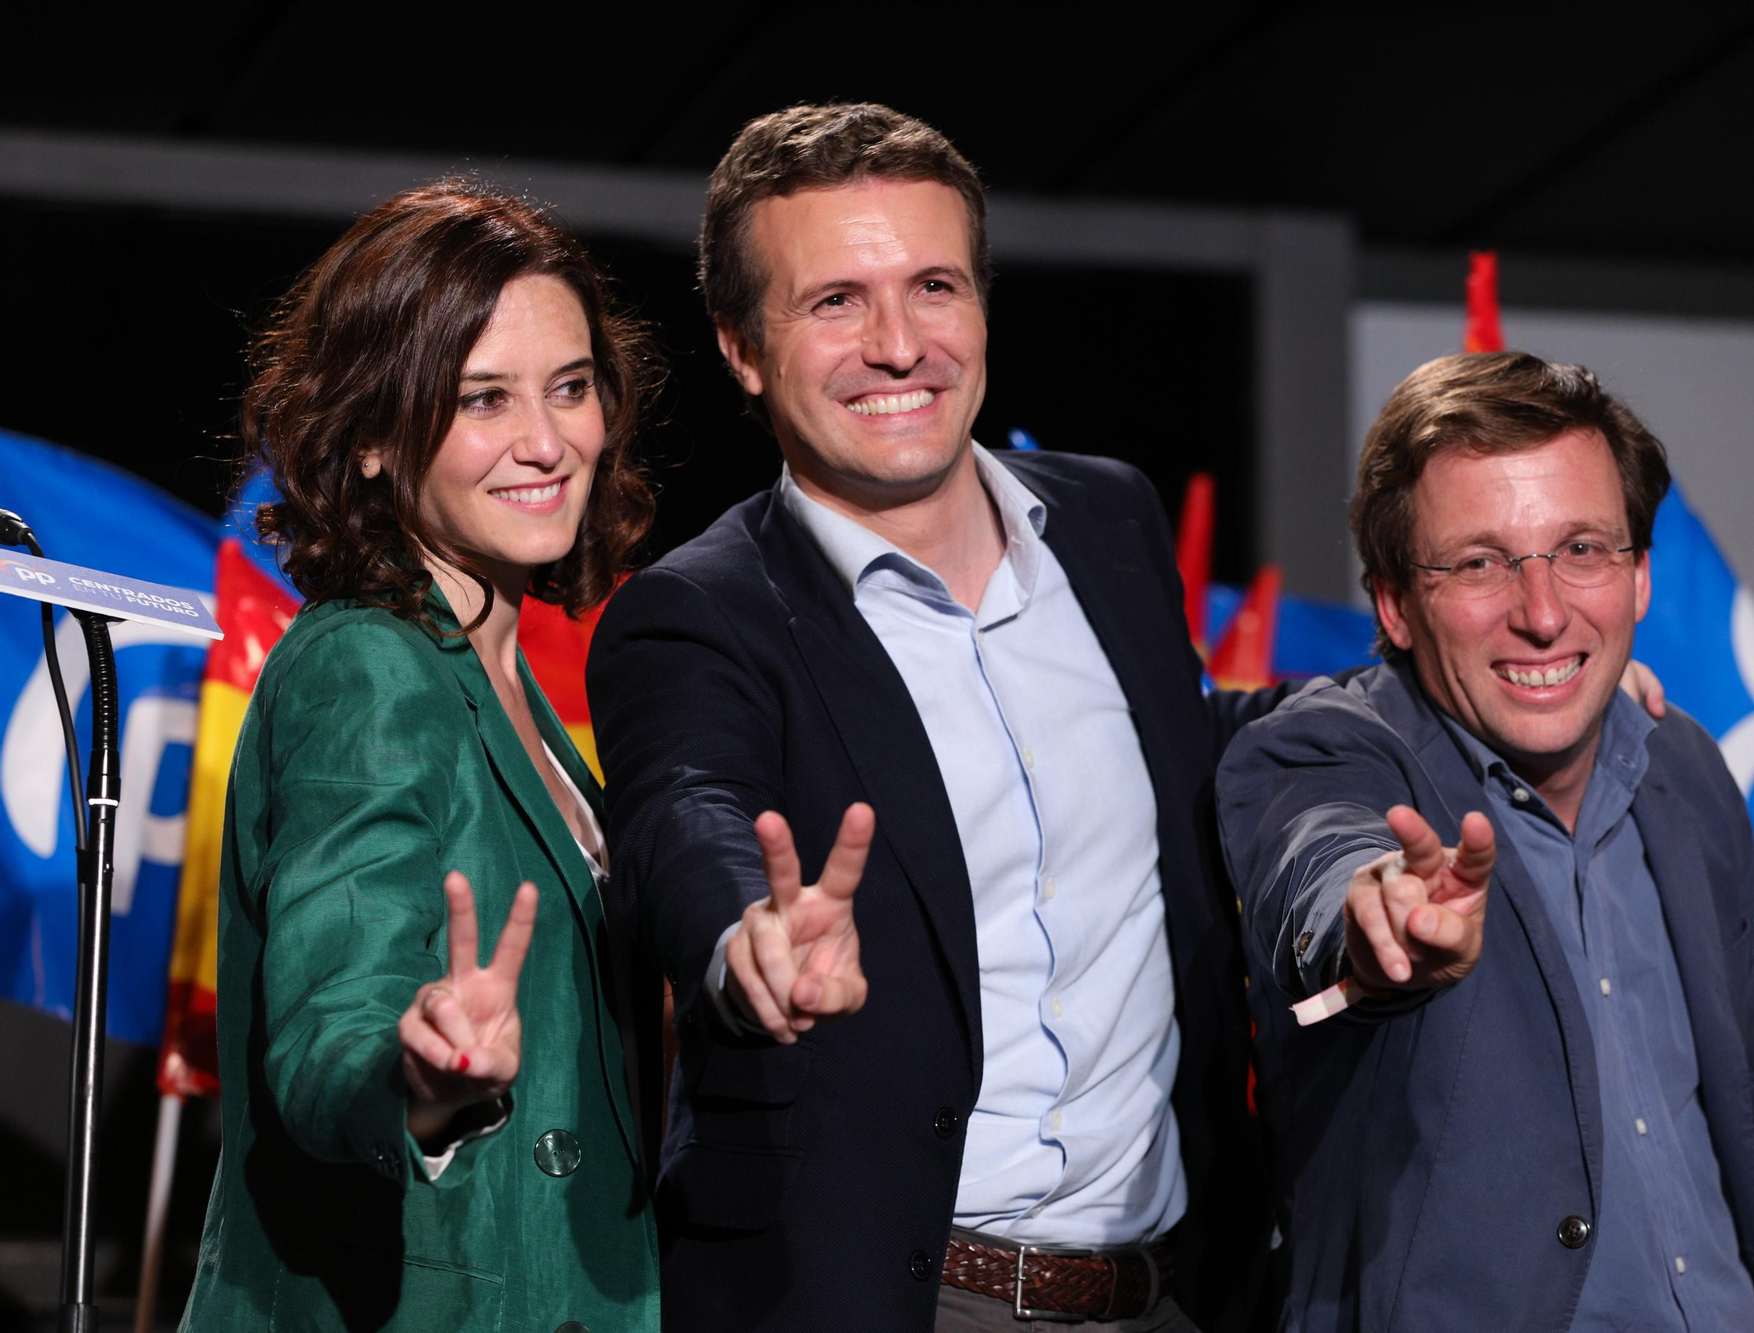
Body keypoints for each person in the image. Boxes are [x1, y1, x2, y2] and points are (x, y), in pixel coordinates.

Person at [586, 102, 1278, 1332]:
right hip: (893, 1300)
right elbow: (677, 816)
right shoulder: (694, 617)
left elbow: (1197, 735)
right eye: (835, 301)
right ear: (743, 347)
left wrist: (1446, 697)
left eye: (934, 286)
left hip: (1175, 1290)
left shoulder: (1109, 524)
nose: (898, 345)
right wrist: (744, 941)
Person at [1215, 350, 1754, 1331]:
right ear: (1393, 605)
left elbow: (1752, 1121)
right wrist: (1374, 919)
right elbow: (1320, 858)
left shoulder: (1686, 771)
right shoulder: (1321, 753)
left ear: (1636, 577)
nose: (1542, 614)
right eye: (1477, 563)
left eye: (1581, 549)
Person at [181, 179, 662, 1332]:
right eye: (481, 400)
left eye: (570, 387)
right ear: (371, 440)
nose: (547, 442)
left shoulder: (500, 676)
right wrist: (419, 1079)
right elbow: (334, 1016)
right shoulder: (372, 672)